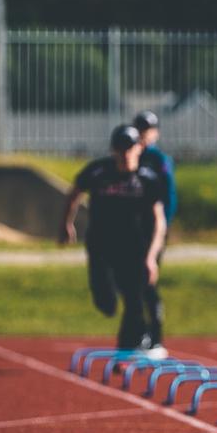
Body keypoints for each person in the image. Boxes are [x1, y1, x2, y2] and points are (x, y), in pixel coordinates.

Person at [59, 124, 167, 355]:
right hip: (101, 245)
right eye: (121, 149)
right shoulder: (99, 172)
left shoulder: (147, 179)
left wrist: (151, 257)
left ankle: (129, 348)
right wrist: (67, 224)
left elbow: (159, 221)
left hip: (135, 248)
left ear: (139, 148)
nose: (125, 154)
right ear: (113, 150)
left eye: (130, 148)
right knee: (106, 302)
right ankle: (123, 325)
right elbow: (74, 193)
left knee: (134, 300)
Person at [132, 111, 177, 359]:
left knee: (148, 279)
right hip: (133, 229)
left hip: (154, 229)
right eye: (139, 128)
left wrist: (163, 225)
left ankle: (155, 336)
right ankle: (140, 333)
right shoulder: (131, 156)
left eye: (147, 129)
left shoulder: (159, 160)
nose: (142, 133)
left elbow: (169, 195)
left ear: (155, 132)